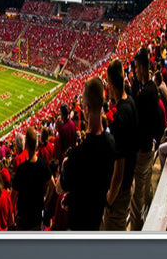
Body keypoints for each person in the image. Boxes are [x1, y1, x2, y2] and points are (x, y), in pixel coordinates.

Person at [58, 77, 116, 231]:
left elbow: (60, 187)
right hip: (98, 218)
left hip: (80, 225)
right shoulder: (111, 142)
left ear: (87, 108)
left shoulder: (78, 155)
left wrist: (64, 166)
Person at [102, 59, 139, 231]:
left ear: (110, 83)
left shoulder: (118, 118)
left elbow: (119, 167)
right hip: (129, 181)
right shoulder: (131, 102)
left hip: (120, 192)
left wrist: (109, 200)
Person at [130, 47, 164, 230]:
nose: (135, 71)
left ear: (142, 67)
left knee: (136, 201)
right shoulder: (149, 89)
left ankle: (138, 233)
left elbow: (143, 123)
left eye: (136, 67)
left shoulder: (147, 93)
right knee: (147, 187)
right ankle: (150, 211)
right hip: (148, 148)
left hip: (142, 150)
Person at [11, 127, 53, 231]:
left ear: (26, 145)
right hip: (37, 217)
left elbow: (12, 197)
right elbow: (52, 185)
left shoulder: (21, 169)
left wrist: (12, 216)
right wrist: (45, 202)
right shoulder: (43, 164)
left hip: (23, 218)